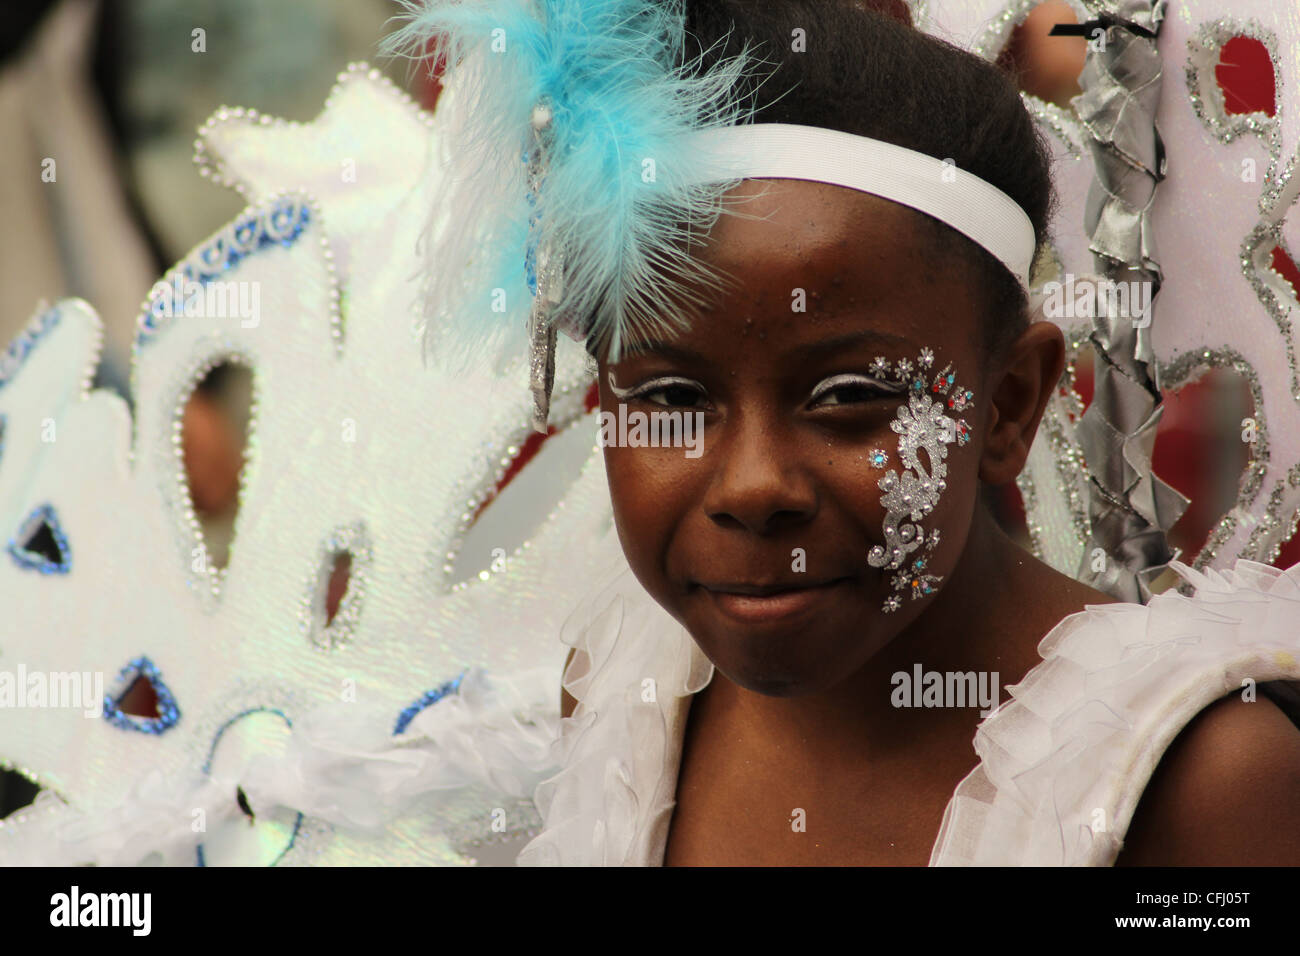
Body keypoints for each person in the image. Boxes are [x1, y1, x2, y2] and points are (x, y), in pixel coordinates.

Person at [487, 0, 1300, 865]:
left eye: (847, 396)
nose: (754, 487)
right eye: (672, 396)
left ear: (1009, 403)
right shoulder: (624, 693)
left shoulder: (1197, 784)